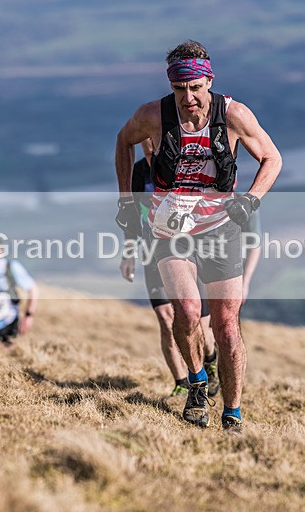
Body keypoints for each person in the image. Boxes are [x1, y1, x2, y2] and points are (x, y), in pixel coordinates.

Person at [114, 40, 282, 431]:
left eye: (195, 87)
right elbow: (123, 142)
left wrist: (251, 200)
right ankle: (195, 382)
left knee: (225, 327)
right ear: (170, 85)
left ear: (209, 80)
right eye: (179, 89)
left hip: (221, 229)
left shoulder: (235, 115)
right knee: (186, 311)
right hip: (169, 229)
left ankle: (233, 413)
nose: (188, 97)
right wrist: (126, 199)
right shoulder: (152, 115)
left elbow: (272, 158)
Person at [120, 139, 220, 398]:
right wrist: (129, 253)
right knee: (166, 318)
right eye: (144, 142)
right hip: (153, 252)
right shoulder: (138, 172)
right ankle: (182, 382)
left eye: (154, 139)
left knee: (199, 323)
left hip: (189, 253)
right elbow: (132, 216)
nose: (149, 145)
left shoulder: (182, 167)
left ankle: (209, 357)